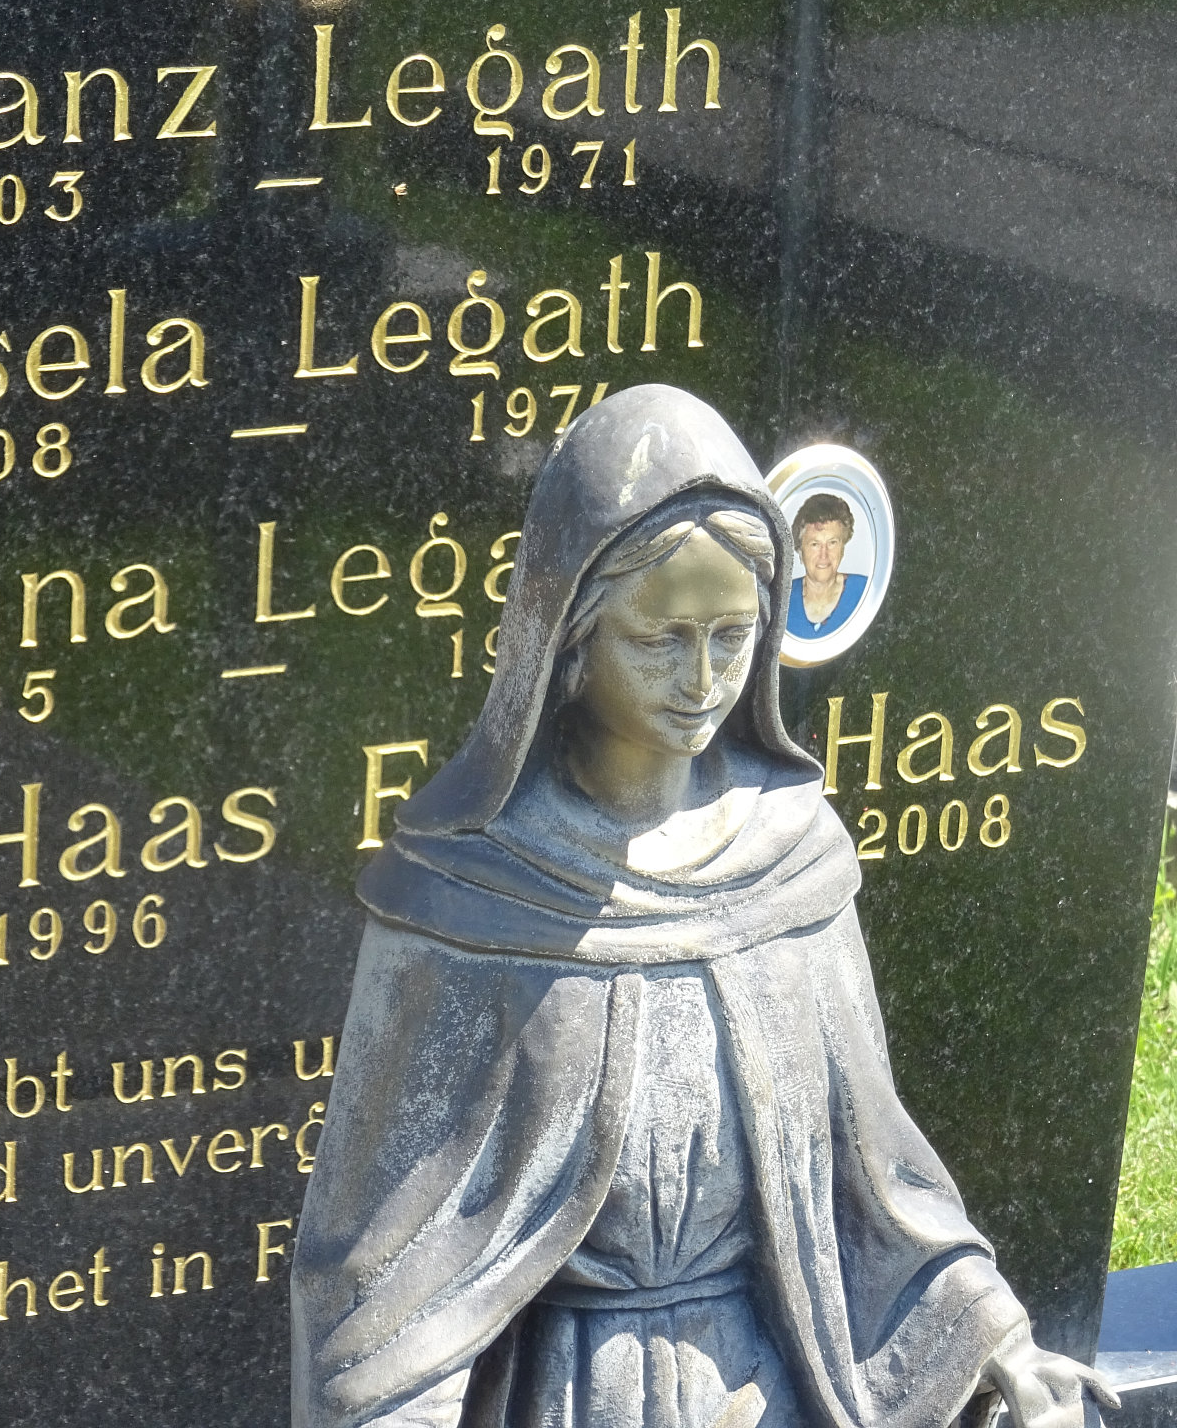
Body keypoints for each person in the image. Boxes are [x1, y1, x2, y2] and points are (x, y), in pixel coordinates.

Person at [290, 386, 1113, 1428]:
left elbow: (878, 1190)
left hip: (766, 1383)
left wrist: (996, 1342)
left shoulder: (791, 863)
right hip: (563, 1395)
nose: (703, 679)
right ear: (571, 636)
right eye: (661, 639)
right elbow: (381, 1282)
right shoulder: (470, 894)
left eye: (732, 635)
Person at [787, 492, 868, 638]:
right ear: (800, 550)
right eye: (815, 544)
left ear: (842, 548)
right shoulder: (781, 598)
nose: (823, 555)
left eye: (832, 543)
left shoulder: (865, 591)